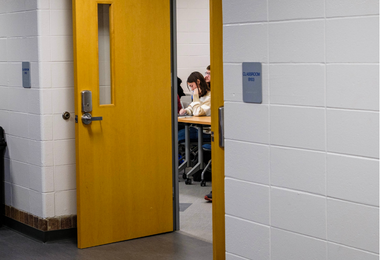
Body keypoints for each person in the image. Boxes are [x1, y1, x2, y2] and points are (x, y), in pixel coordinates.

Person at [178, 72, 211, 143]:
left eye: (192, 86)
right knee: (174, 132)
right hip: (196, 128)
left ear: (198, 82)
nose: (192, 89)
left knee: (176, 137)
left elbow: (197, 112)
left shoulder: (209, 97)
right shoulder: (201, 95)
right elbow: (192, 107)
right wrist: (186, 110)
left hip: (205, 131)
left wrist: (195, 96)